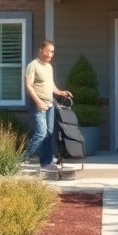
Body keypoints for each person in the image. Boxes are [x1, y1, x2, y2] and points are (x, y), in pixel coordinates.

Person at [24, 39, 73, 172]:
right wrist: (38, 101)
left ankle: (46, 162)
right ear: (41, 50)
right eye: (48, 51)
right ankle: (21, 159)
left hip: (50, 104)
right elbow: (28, 86)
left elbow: (51, 85)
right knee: (41, 133)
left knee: (49, 134)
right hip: (38, 104)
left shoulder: (49, 67)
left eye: (52, 52)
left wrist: (61, 92)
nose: (50, 55)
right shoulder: (33, 65)